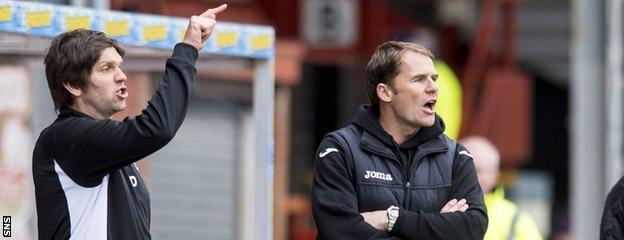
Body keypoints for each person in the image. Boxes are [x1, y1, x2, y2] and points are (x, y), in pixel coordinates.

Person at [32, 4, 227, 239]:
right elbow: (156, 128)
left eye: (119, 66)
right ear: (73, 85)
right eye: (106, 68)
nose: (121, 76)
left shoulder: (113, 152)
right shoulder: (63, 137)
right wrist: (188, 49)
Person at [311, 41, 487, 239]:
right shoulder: (339, 150)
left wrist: (392, 219)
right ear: (385, 92)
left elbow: (472, 228)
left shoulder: (457, 157)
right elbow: (339, 231)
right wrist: (437, 228)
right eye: (419, 79)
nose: (434, 88)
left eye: (434, 78)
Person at [459, 136, 543, 240]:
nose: (467, 175)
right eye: (461, 168)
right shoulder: (436, 207)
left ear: (495, 176)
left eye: (477, 170)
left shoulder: (516, 220)